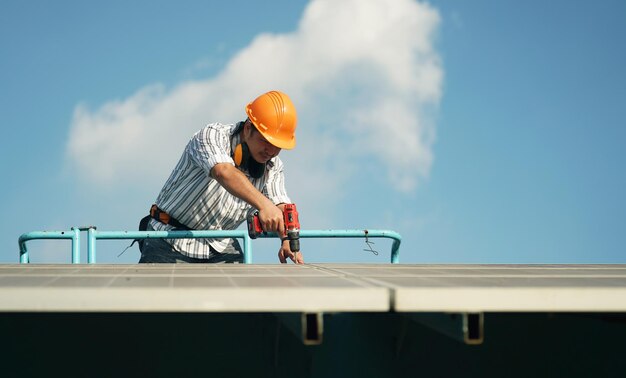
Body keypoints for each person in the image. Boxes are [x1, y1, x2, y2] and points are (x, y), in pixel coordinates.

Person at [138, 90, 304, 264]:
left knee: (242, 289)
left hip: (220, 244)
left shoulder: (273, 166)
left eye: (277, 146)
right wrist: (265, 205)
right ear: (248, 129)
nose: (271, 151)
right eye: (265, 141)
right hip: (168, 238)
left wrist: (287, 240)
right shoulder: (212, 136)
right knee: (156, 290)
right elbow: (223, 171)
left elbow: (281, 205)